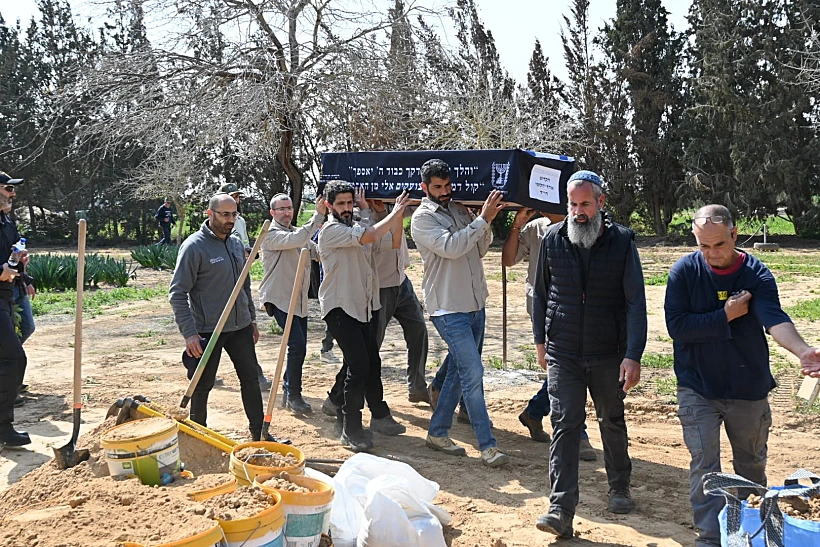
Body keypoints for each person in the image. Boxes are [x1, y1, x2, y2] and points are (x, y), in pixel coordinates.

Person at [664, 204, 820, 547]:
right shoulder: (683, 273)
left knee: (750, 467)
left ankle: (752, 532)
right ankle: (710, 538)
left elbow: (773, 318)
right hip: (698, 386)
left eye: (718, 244)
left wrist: (803, 351)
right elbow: (678, 327)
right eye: (703, 246)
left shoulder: (756, 274)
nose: (711, 253)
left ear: (734, 235)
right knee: (706, 466)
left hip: (748, 388)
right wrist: (725, 316)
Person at [532, 170, 647, 538]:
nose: (578, 211)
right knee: (565, 423)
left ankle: (619, 486)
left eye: (584, 204)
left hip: (607, 351)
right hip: (563, 350)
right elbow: (540, 293)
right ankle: (560, 508)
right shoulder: (553, 238)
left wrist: (633, 354)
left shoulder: (622, 242)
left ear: (600, 202)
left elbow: (635, 303)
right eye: (572, 204)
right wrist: (540, 341)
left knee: (610, 419)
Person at [411, 158, 510, 468]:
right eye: (437, 187)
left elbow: (479, 249)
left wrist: (485, 222)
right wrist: (481, 219)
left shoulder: (459, 209)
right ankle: (488, 445)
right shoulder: (422, 219)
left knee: (457, 372)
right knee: (473, 373)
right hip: (447, 307)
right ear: (424, 187)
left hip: (475, 303)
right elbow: (452, 248)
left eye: (447, 185)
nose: (444, 192)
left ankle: (437, 433)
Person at [169, 193, 286, 443]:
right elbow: (177, 293)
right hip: (207, 330)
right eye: (224, 214)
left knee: (251, 380)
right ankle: (198, 436)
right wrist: (190, 334)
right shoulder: (194, 247)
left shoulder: (234, 244)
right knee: (202, 384)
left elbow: (243, 284)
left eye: (234, 214)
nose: (230, 219)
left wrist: (251, 319)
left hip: (240, 326)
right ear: (209, 214)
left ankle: (259, 432)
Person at [318, 182, 410, 451]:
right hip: (340, 308)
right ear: (329, 206)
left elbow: (392, 242)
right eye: (341, 204)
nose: (346, 208)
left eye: (349, 203)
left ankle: (361, 414)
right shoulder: (331, 231)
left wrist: (387, 213)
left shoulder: (358, 224)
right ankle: (351, 428)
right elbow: (369, 236)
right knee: (358, 366)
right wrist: (395, 212)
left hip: (366, 305)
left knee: (370, 362)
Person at [501, 207, 596, 460]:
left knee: (568, 366)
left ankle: (535, 411)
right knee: (566, 367)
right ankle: (577, 432)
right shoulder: (535, 228)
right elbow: (508, 260)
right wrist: (516, 225)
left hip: (578, 307)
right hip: (543, 306)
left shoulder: (584, 224)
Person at [259, 192, 326, 414]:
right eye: (282, 209)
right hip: (279, 298)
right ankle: (294, 395)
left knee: (300, 347)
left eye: (289, 208)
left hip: (299, 299)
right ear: (273, 212)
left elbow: (318, 252)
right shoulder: (270, 233)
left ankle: (289, 392)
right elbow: (296, 241)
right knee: (296, 345)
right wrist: (317, 217)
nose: (287, 212)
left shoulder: (298, 233)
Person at [369, 199, 431, 404]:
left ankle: (417, 386)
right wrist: (380, 211)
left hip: (401, 281)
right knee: (372, 343)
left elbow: (416, 204)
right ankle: (350, 395)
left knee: (418, 331)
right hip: (379, 287)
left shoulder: (393, 205)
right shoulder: (362, 213)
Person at [218, 182, 271, 391]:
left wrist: (250, 253)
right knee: (219, 327)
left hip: (240, 275)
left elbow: (244, 243)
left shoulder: (240, 221)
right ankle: (199, 370)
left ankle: (255, 374)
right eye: (232, 196)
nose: (237, 200)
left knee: (241, 328)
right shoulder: (215, 221)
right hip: (222, 280)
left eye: (238, 197)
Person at [0, 171, 31, 447]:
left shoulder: (7, 220)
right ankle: (4, 427)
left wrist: (22, 266)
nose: (13, 194)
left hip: (6, 297)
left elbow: (14, 252)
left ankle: (4, 429)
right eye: (9, 188)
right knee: (14, 359)